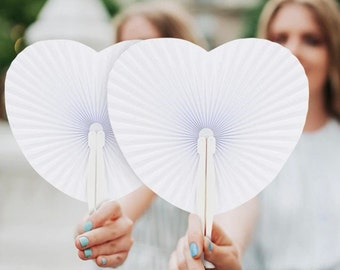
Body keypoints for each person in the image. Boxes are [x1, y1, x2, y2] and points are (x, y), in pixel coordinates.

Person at [74, 1, 258, 269]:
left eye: (147, 49)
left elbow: (239, 203)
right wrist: (99, 231)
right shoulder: (107, 136)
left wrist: (228, 250)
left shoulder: (216, 134)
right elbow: (112, 211)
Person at [242, 0, 340, 269]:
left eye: (311, 40)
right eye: (280, 39)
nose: (293, 51)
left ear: (332, 50)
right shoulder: (245, 146)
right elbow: (231, 229)